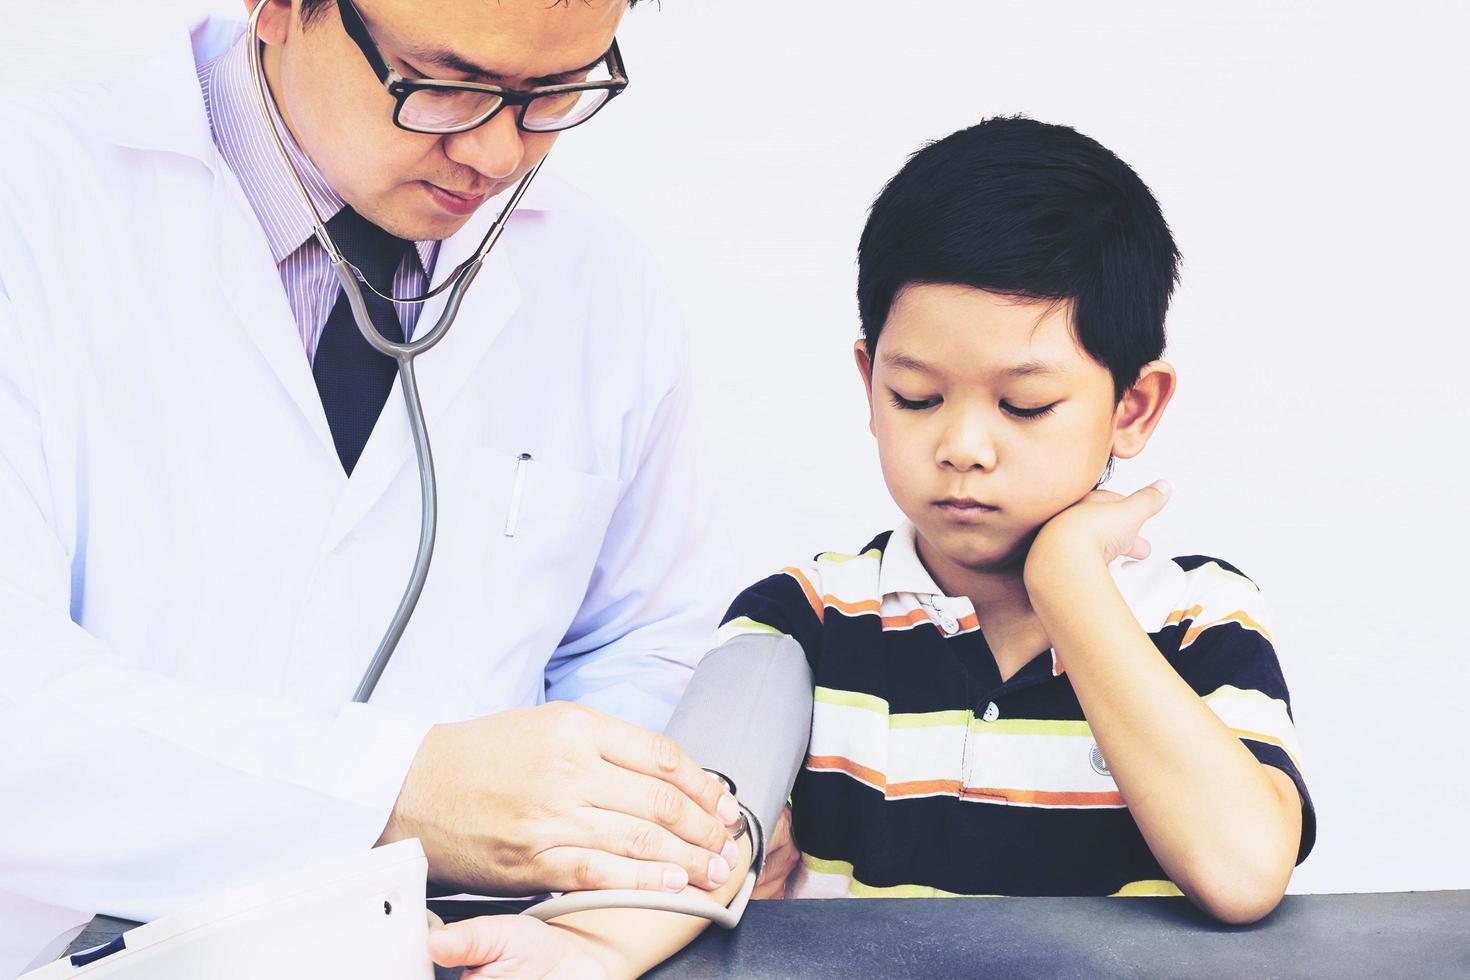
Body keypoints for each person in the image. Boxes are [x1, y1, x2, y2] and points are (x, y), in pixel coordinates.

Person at [0, 0, 790, 972]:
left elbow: (650, 642)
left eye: (553, 93)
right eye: (447, 85)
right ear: (280, 8)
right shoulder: (32, 212)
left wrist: (586, 913)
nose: (501, 155)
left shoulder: (601, 283)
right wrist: (405, 788)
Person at [433, 113, 1317, 976]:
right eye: (918, 397)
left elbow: (1241, 872)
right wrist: (585, 952)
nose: (963, 445)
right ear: (869, 382)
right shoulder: (805, 617)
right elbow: (695, 832)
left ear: (1135, 407)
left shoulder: (1202, 615)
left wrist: (1070, 585)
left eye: (1025, 406)